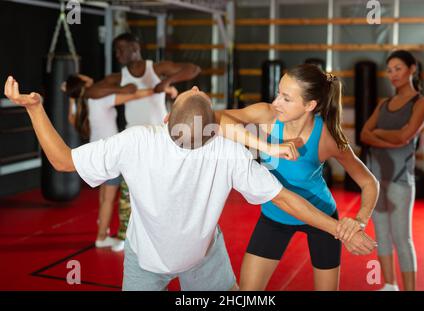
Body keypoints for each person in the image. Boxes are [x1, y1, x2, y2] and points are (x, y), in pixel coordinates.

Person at [4, 77, 376, 291]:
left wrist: (35, 108)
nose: (195, 85)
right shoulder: (228, 150)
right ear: (211, 129)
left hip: (149, 260)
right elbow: (285, 200)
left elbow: (63, 160)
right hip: (200, 258)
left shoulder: (138, 140)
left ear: (166, 118)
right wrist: (340, 230)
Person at [214, 64, 380, 290]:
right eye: (278, 93)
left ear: (310, 105)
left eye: (286, 98)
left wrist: (358, 222)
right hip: (275, 216)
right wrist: (266, 146)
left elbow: (369, 182)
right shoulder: (267, 115)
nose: (275, 103)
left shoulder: (327, 138)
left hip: (321, 216)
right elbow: (217, 118)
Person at [86, 32, 201, 252]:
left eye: (121, 49)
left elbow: (193, 68)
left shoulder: (156, 69)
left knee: (164, 190)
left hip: (160, 140)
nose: (117, 55)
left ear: (134, 48)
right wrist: (120, 90)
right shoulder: (120, 77)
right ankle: (123, 235)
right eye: (116, 50)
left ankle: (167, 236)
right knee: (128, 191)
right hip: (133, 142)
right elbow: (91, 91)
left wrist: (166, 81)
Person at [62, 74, 177, 248]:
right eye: (84, 77)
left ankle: (103, 232)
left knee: (103, 199)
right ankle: (101, 237)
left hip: (96, 154)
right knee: (109, 200)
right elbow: (135, 95)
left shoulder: (80, 104)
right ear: (85, 82)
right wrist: (163, 89)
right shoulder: (99, 99)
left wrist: (71, 96)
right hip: (111, 155)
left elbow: (71, 118)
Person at [361, 50, 424, 291]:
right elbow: (363, 134)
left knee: (402, 238)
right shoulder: (383, 104)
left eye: (398, 68)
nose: (393, 74)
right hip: (375, 179)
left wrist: (377, 134)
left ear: (412, 69)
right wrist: (385, 137)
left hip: (401, 180)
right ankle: (390, 285)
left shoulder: (422, 103)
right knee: (381, 236)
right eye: (389, 69)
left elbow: (405, 136)